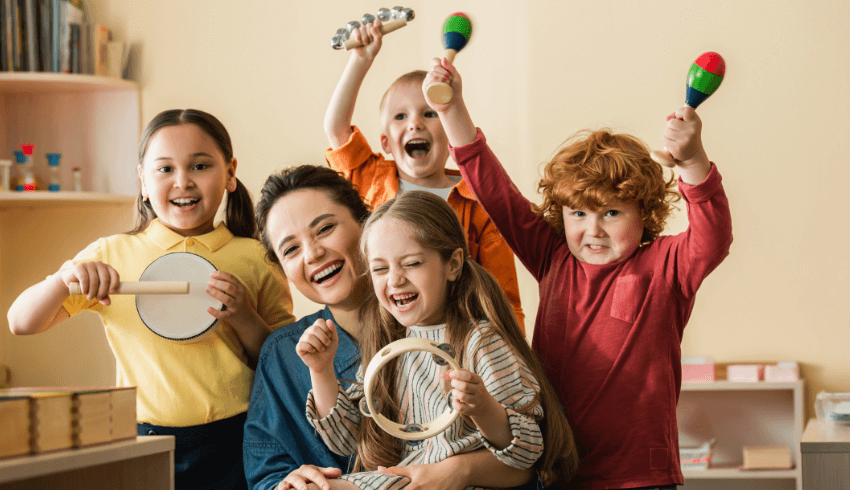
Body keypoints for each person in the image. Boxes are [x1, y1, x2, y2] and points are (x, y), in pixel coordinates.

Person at [425, 58, 733, 489]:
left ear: (644, 213)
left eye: (611, 212)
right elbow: (495, 190)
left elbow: (712, 238)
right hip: (556, 470)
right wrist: (451, 108)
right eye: (578, 213)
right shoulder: (552, 257)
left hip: (639, 477)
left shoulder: (664, 265)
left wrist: (692, 159)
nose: (593, 230)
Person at [7, 109, 296, 490]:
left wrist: (244, 318)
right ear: (143, 179)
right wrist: (64, 280)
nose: (183, 182)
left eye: (200, 166)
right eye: (165, 169)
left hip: (240, 437)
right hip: (144, 439)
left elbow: (285, 365)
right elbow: (20, 322)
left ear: (229, 173)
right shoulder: (111, 254)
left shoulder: (256, 257)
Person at [246, 165, 540, 490]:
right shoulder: (291, 353)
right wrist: (321, 371)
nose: (313, 253)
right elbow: (339, 444)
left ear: (364, 225)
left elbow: (533, 454)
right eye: (290, 249)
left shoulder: (474, 337)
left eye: (325, 228)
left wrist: (465, 465)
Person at [297, 190, 578, 490]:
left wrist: (483, 407)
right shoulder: (387, 349)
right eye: (380, 269)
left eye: (412, 263)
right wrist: (321, 371)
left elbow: (529, 450)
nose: (394, 280)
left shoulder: (480, 342)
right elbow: (347, 441)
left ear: (453, 264)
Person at [322, 19, 525, 330]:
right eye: (401, 116)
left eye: (429, 113)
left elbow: (504, 295)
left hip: (457, 337)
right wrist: (360, 60)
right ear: (385, 143)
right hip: (385, 335)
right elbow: (336, 130)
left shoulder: (477, 200)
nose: (414, 124)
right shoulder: (372, 179)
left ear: (448, 131)